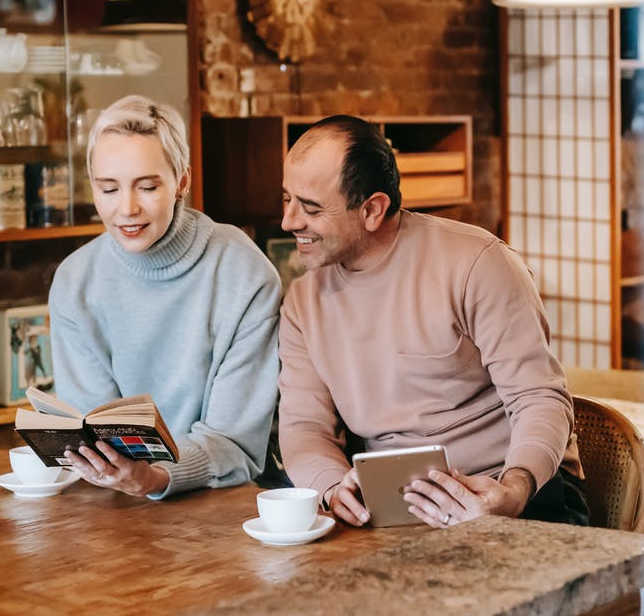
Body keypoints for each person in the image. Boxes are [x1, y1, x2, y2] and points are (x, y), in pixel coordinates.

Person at [277, 115, 586, 528]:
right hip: (391, 505)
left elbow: (539, 397)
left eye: (310, 208)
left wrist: (513, 489)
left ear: (372, 209)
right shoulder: (302, 302)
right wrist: (334, 487)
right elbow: (304, 426)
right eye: (286, 199)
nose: (289, 222)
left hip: (509, 490)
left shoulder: (476, 262)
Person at [49, 95, 282, 498]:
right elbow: (95, 429)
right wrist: (122, 472)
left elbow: (235, 442)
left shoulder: (244, 274)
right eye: (108, 189)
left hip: (231, 501)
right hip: (117, 501)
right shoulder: (75, 281)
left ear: (182, 182)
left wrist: (156, 477)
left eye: (148, 186)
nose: (127, 209)